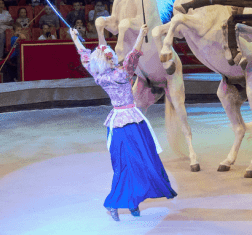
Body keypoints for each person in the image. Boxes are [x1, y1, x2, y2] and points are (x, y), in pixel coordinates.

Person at [69, 24, 177, 221]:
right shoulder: (121, 74)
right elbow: (133, 55)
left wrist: (74, 37)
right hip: (129, 123)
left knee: (133, 164)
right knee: (132, 164)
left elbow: (85, 56)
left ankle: (132, 202)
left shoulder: (98, 75)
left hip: (124, 122)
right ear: (105, 61)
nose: (113, 58)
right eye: (110, 57)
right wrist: (142, 34)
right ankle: (116, 203)